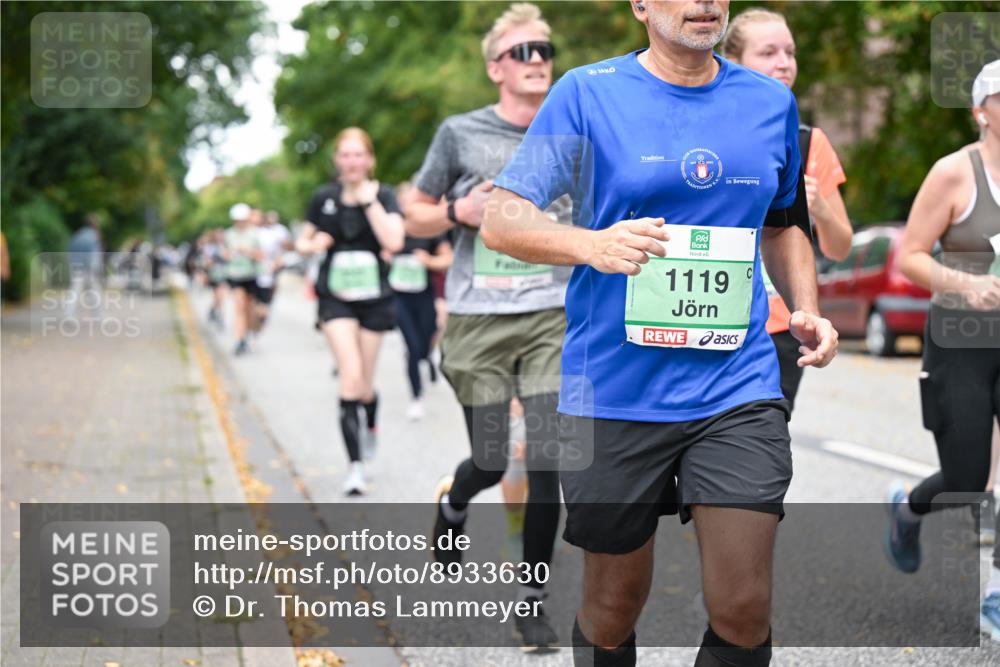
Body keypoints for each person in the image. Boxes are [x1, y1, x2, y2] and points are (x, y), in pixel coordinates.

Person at [481, 2, 839, 665]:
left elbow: (785, 221)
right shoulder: (588, 94)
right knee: (613, 606)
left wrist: (806, 303)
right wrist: (590, 243)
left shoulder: (768, 104)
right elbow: (502, 219)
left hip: (737, 383)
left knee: (743, 605)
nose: (704, 3)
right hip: (615, 389)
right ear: (641, 5)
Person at [405, 3, 570, 651]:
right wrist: (456, 208)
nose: (538, 61)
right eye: (523, 51)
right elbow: (413, 215)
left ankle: (531, 600)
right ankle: (455, 500)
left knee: (552, 456)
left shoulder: (573, 129)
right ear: (495, 67)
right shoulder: (459, 133)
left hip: (553, 314)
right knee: (495, 455)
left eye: (545, 50)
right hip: (478, 317)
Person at [885, 57, 1000, 614]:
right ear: (981, 111)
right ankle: (907, 509)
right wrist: (966, 285)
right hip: (963, 339)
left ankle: (997, 594)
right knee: (967, 477)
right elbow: (908, 256)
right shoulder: (955, 172)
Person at [722, 7, 852, 409]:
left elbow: (840, 248)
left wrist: (818, 210)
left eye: (790, 52)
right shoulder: (708, 133)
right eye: (768, 53)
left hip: (779, 324)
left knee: (758, 452)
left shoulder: (808, 142)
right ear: (733, 62)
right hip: (710, 313)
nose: (784, 63)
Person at [295, 127, 404, 496]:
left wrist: (367, 200)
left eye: (359, 155)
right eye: (345, 155)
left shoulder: (385, 195)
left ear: (369, 160)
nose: (352, 161)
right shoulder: (323, 198)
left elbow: (394, 240)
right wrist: (313, 245)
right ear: (336, 161)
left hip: (375, 299)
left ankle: (371, 420)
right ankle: (355, 467)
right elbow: (302, 240)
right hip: (335, 297)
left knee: (367, 386)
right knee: (351, 377)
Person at [224, 203, 261, 356]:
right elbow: (226, 254)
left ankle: (249, 332)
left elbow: (260, 255)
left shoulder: (254, 233)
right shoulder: (229, 234)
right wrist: (230, 255)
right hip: (235, 275)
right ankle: (239, 340)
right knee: (239, 307)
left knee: (248, 308)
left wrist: (248, 252)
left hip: (251, 275)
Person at [253, 209, 293, 336]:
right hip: (255, 271)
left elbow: (287, 247)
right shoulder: (257, 232)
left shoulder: (280, 231)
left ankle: (262, 317)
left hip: (269, 271)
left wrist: (279, 259)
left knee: (265, 298)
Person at [66, 213, 104, 319]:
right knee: (95, 292)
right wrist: (97, 269)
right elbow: (95, 254)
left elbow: (69, 251)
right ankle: (98, 315)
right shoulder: (94, 236)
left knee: (75, 291)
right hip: (88, 268)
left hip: (76, 267)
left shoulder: (77, 235)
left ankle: (69, 314)